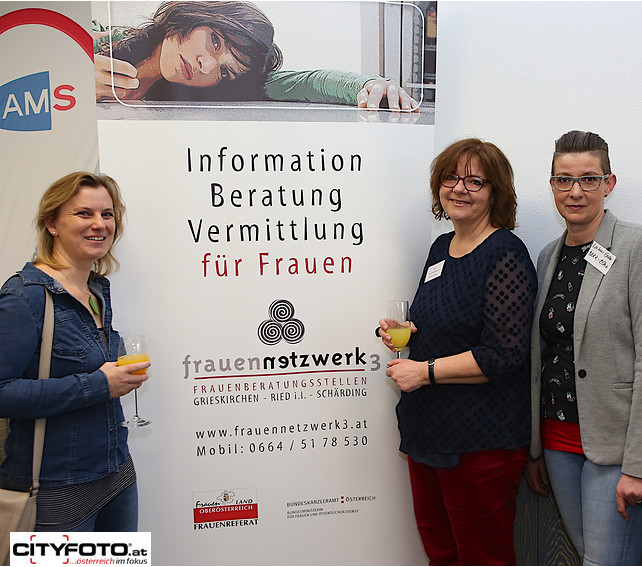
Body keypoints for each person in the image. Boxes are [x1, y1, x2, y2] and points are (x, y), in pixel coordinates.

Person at [377, 138, 537, 565]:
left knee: (482, 558)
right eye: (450, 177)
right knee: (441, 555)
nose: (459, 188)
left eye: (474, 181)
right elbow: (448, 325)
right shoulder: (440, 249)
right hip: (428, 431)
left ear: (495, 192)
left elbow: (503, 353)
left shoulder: (505, 253)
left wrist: (424, 370)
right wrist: (408, 333)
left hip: (480, 443)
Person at [523, 131, 642, 565]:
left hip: (619, 448)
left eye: (589, 179)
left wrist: (641, 465)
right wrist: (536, 449)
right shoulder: (548, 256)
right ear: (552, 185)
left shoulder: (639, 245)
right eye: (564, 180)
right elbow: (543, 356)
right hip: (558, 442)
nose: (576, 192)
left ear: (609, 183)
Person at [0, 172, 150, 531]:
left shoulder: (97, 291)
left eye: (107, 214)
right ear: (52, 223)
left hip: (117, 476)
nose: (100, 224)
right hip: (55, 491)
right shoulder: (25, 296)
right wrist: (99, 385)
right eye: (84, 213)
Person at [93, 0, 419, 111]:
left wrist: (370, 85)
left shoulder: (194, 96)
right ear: (196, 17)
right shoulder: (96, 41)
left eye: (224, 72)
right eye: (215, 41)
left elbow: (308, 82)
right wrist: (72, 79)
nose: (206, 65)